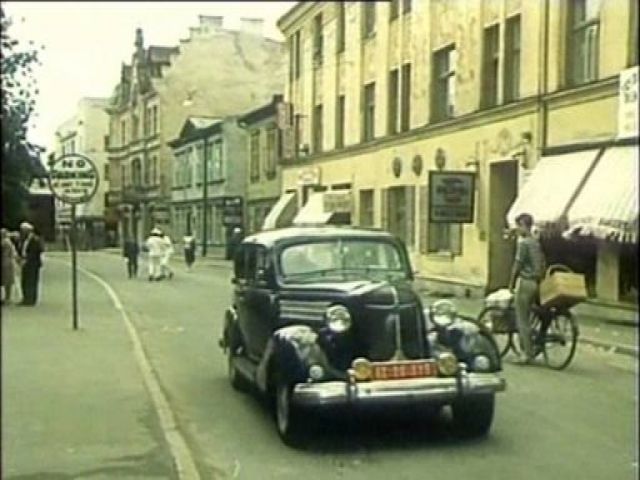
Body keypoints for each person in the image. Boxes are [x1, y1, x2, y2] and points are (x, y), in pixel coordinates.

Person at [508, 213, 546, 364]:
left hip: (525, 282)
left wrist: (511, 282)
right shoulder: (536, 243)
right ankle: (534, 346)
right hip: (537, 282)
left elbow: (517, 264)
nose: (517, 229)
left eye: (519, 226)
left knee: (522, 319)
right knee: (531, 314)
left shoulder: (523, 243)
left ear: (524, 225)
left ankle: (526, 354)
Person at [17, 222, 44, 306]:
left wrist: (27, 259)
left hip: (33, 264)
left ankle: (31, 300)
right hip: (25, 263)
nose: (22, 232)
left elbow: (36, 251)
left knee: (32, 281)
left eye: (23, 230)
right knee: (24, 281)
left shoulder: (35, 239)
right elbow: (22, 249)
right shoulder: (24, 240)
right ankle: (25, 298)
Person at [1, 228, 18, 305]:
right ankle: (7, 298)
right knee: (7, 281)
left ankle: (7, 298)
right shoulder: (8, 242)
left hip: (6, 264)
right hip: (8, 263)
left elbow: (5, 254)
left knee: (7, 281)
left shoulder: (5, 242)